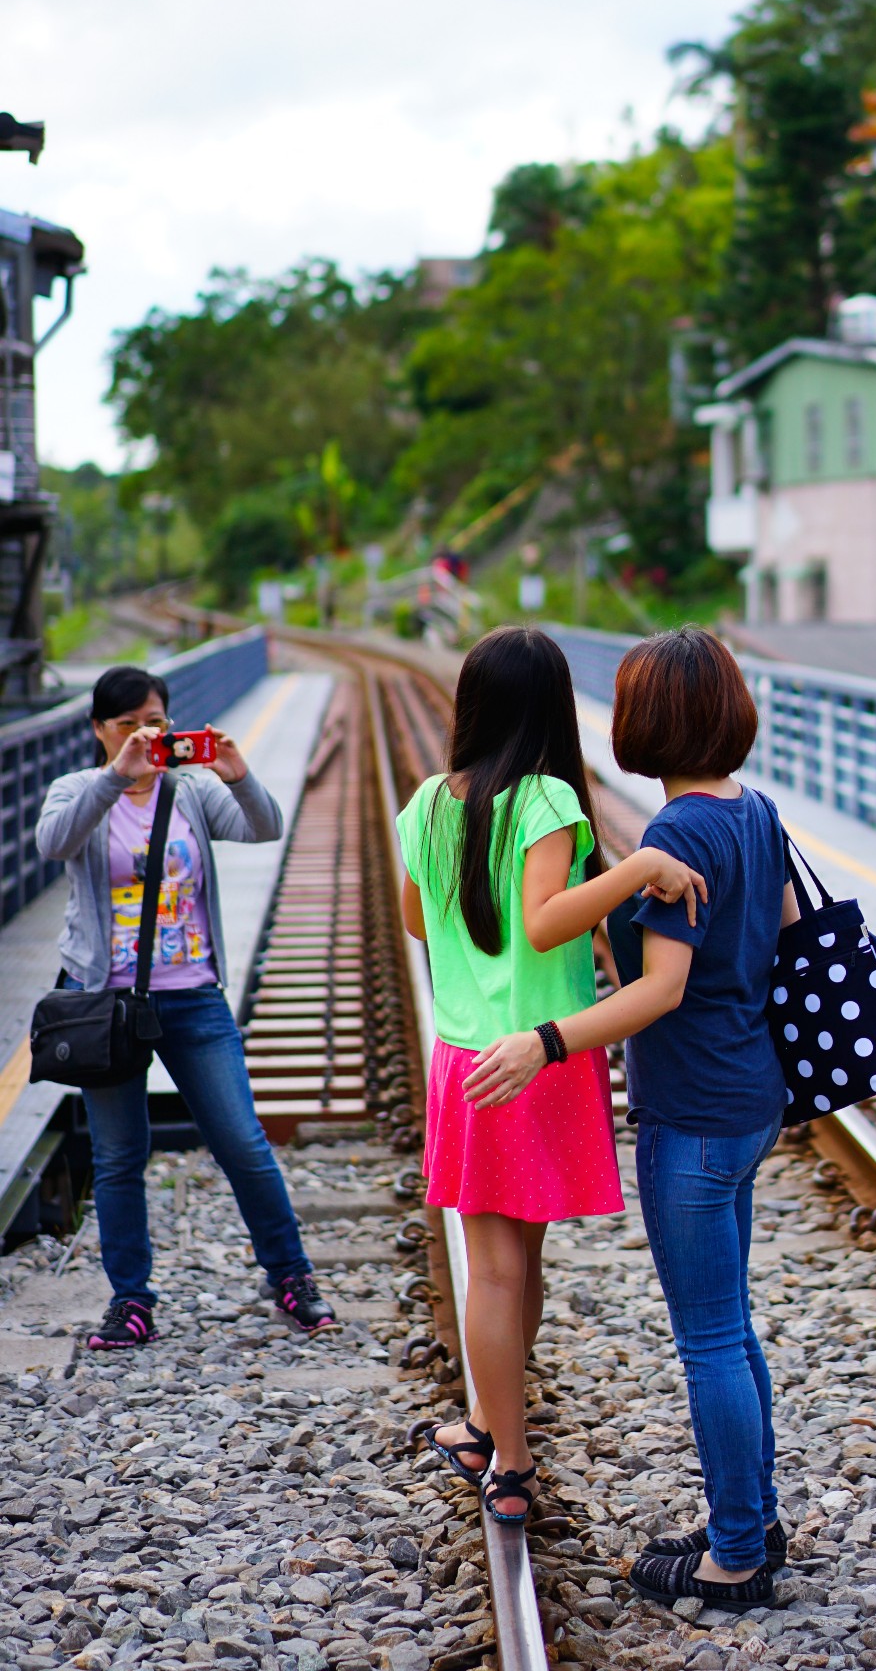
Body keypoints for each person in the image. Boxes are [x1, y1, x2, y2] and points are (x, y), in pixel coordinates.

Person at [466, 626, 795, 1610]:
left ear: (648, 722)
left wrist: (546, 1039)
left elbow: (658, 990)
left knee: (708, 1337)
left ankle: (736, 1555)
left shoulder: (679, 834)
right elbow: (775, 932)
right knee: (732, 1328)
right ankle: (753, 1512)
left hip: (692, 1109)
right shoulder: (756, 810)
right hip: (749, 1095)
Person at [397, 625, 709, 1528]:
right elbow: (541, 925)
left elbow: (420, 922)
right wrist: (641, 867)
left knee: (506, 1265)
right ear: (549, 709)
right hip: (531, 1054)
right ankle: (512, 1458)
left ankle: (485, 1427)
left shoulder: (425, 802)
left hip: (465, 1057)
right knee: (508, 1271)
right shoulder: (543, 800)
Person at [36, 665, 337, 1350]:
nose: (147, 734)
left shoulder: (190, 792)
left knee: (241, 1143)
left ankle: (290, 1277)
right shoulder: (79, 790)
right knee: (118, 1156)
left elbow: (265, 826)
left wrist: (235, 771)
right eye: (129, 723)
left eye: (157, 721)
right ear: (98, 730)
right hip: (106, 1003)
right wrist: (116, 774)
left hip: (195, 996)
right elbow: (52, 843)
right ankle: (130, 1301)